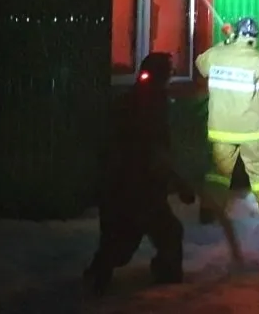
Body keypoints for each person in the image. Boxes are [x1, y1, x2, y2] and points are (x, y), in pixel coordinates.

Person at [83, 52, 193, 294]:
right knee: (145, 237)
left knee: (123, 240)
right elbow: (152, 150)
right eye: (168, 72)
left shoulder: (136, 99)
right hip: (136, 190)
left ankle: (99, 276)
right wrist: (178, 182)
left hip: (124, 188)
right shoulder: (150, 104)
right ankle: (166, 281)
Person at [195, 17, 259, 217]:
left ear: (236, 33)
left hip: (221, 129)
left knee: (218, 173)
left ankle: (209, 212)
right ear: (255, 36)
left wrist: (226, 43)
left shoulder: (217, 54)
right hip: (251, 131)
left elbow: (200, 65)